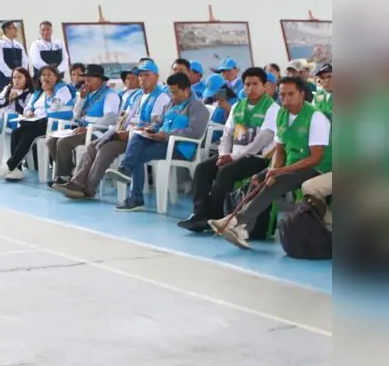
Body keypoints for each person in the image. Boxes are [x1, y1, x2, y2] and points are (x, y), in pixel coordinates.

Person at [211, 76, 332, 249]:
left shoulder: (316, 117)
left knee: (276, 182)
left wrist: (281, 172)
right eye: (282, 95)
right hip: (291, 164)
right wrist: (273, 169)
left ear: (302, 94)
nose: (286, 99)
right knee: (258, 179)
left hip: (316, 168)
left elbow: (316, 158)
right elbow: (279, 149)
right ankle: (246, 230)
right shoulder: (282, 114)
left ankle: (236, 221)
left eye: (291, 94)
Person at [178, 67, 279, 232]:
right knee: (202, 168)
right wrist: (224, 154)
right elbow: (227, 135)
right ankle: (199, 213)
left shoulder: (272, 108)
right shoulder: (238, 106)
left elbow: (263, 139)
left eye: (255, 84)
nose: (250, 89)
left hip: (257, 158)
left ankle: (215, 216)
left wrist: (233, 156)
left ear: (264, 86)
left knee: (226, 172)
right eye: (247, 85)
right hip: (233, 155)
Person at [53, 59, 171, 200]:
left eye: (146, 75)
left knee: (106, 149)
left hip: (140, 139)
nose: (142, 79)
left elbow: (153, 126)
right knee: (93, 146)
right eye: (140, 75)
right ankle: (76, 183)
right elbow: (123, 118)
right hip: (124, 133)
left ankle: (89, 189)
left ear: (156, 77)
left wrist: (127, 133)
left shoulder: (160, 97)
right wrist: (118, 130)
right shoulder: (137, 96)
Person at [110, 72, 209, 211]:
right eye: (170, 93)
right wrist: (150, 129)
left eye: (175, 93)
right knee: (137, 137)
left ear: (186, 90)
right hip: (162, 142)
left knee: (138, 155)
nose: (172, 96)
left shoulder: (197, 107)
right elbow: (159, 122)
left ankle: (133, 192)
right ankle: (126, 171)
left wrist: (166, 135)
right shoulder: (171, 104)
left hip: (180, 147)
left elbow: (195, 132)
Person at [0, 65, 73, 181]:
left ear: (56, 77)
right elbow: (27, 107)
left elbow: (55, 106)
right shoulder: (38, 92)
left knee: (29, 133)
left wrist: (49, 92)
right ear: (40, 78)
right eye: (44, 75)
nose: (46, 78)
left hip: (55, 123)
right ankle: (17, 170)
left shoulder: (62, 89)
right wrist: (29, 112)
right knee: (17, 132)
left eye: (50, 75)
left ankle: (11, 165)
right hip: (36, 122)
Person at [46, 64, 121, 183]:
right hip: (83, 129)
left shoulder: (110, 94)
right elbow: (75, 116)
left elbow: (110, 118)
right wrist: (81, 99)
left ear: (100, 80)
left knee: (63, 143)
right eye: (85, 79)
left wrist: (88, 129)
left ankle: (64, 178)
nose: (86, 82)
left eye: (89, 79)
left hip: (98, 132)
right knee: (51, 141)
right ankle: (71, 173)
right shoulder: (87, 94)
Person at [0, 67, 33, 176]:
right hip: (1, 120)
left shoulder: (30, 93)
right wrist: (8, 99)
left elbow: (27, 110)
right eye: (14, 77)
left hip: (16, 122)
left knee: (11, 117)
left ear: (26, 79)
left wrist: (16, 100)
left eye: (19, 77)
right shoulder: (8, 88)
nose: (16, 80)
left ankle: (17, 167)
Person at [0, 21, 28, 92]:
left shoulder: (18, 45)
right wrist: (13, 75)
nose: (16, 30)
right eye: (14, 28)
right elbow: (0, 64)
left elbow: (25, 61)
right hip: (5, 80)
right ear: (7, 29)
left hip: (20, 80)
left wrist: (22, 74)